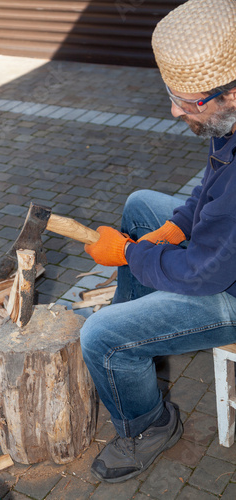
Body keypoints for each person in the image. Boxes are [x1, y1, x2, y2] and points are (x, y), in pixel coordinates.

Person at [81, 0, 236, 484]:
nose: (174, 110)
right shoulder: (227, 120)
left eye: (189, 102)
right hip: (221, 254)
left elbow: (208, 273)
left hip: (229, 289)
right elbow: (212, 188)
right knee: (142, 204)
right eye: (171, 94)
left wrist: (130, 253)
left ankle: (150, 424)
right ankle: (138, 328)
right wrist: (178, 226)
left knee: (100, 338)